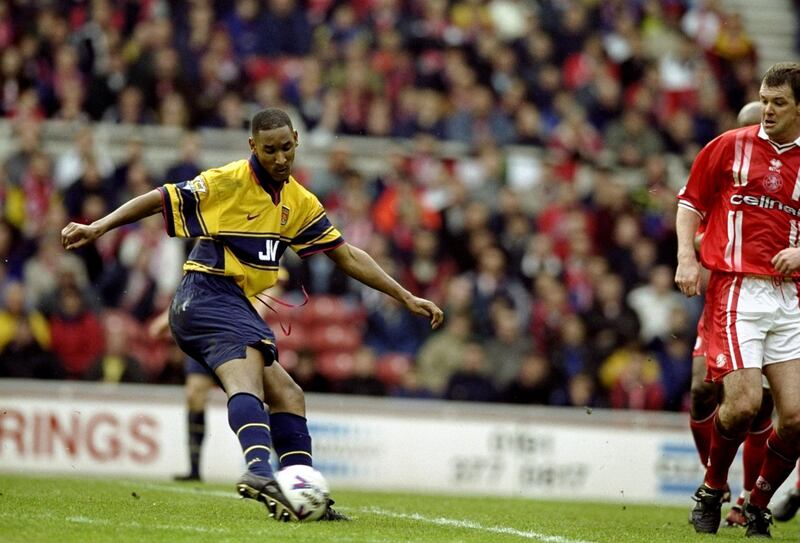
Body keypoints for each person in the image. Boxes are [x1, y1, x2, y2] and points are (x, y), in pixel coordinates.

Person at [62, 107, 444, 522]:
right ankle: (260, 470)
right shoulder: (227, 181)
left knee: (289, 395)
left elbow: (347, 255)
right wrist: (98, 226)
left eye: (285, 148)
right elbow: (160, 198)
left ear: (296, 140)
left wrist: (405, 296)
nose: (279, 158)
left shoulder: (299, 203)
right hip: (205, 293)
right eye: (268, 151)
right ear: (252, 147)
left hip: (229, 304)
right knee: (249, 377)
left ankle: (303, 498)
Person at [676, 63, 800, 537]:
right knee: (740, 401)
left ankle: (756, 503)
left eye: (778, 103)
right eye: (764, 101)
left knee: (794, 419)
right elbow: (689, 202)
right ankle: (711, 489)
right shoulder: (730, 146)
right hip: (736, 287)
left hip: (789, 297)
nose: (767, 110)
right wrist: (687, 258)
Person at [686, 100, 775, 528]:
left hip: (777, 298)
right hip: (727, 296)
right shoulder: (727, 164)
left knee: (761, 405)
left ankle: (745, 498)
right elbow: (699, 216)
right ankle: (714, 483)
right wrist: (694, 250)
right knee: (703, 390)